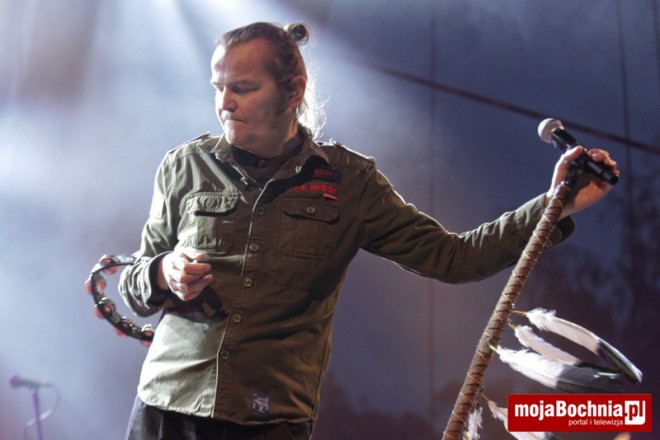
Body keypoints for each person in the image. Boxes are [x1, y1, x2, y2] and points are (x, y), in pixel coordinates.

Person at [118, 21, 619, 440]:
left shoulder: (349, 182)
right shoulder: (185, 166)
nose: (225, 103)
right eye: (218, 87)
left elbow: (454, 257)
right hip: (165, 409)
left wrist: (555, 206)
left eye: (243, 88)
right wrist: (162, 272)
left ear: (293, 91)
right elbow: (133, 281)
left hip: (269, 421)